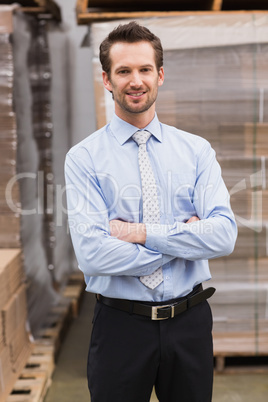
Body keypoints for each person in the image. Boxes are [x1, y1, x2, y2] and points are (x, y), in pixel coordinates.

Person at [65, 21, 237, 402]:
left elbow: (223, 235)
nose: (135, 80)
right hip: (120, 327)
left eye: (144, 69)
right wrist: (186, 236)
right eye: (123, 71)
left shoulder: (196, 152)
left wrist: (140, 232)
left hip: (189, 324)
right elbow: (92, 254)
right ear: (107, 80)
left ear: (160, 75)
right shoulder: (84, 158)